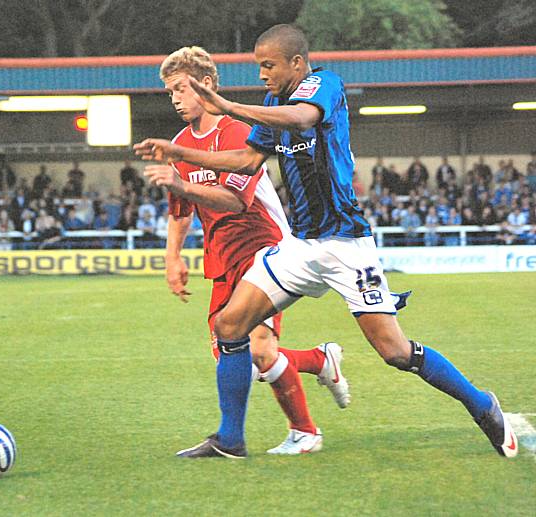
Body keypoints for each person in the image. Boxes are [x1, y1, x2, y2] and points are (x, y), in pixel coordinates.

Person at [134, 24, 517, 459]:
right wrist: (180, 153)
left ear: (296, 63)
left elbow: (301, 119)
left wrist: (224, 105)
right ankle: (231, 439)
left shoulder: (324, 85)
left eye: (269, 65)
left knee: (394, 351)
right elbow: (245, 158)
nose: (262, 74)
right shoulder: (272, 104)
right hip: (301, 246)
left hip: (346, 245)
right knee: (230, 326)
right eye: (258, 65)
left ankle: (482, 404)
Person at [141, 45, 410, 457]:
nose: (175, 99)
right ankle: (318, 365)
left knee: (259, 349)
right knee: (231, 347)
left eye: (181, 89)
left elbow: (235, 200)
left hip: (264, 245)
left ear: (206, 85)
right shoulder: (179, 141)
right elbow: (181, 207)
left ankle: (297, 430)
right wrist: (172, 257)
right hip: (222, 256)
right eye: (170, 92)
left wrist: (179, 181)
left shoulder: (237, 130)